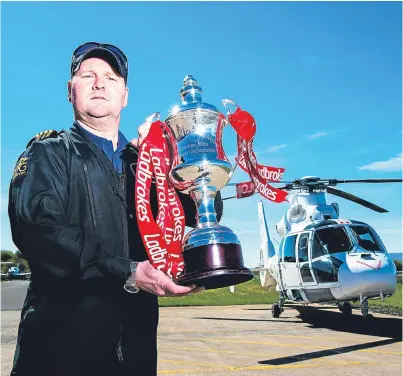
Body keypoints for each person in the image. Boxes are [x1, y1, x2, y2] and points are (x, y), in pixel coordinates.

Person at [8, 41, 223, 376]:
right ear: (70, 91)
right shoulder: (48, 153)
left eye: (110, 77)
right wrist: (129, 272)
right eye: (87, 75)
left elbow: (202, 215)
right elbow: (38, 231)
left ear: (124, 95)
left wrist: (176, 163)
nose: (99, 83)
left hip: (135, 355)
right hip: (58, 355)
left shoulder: (147, 164)